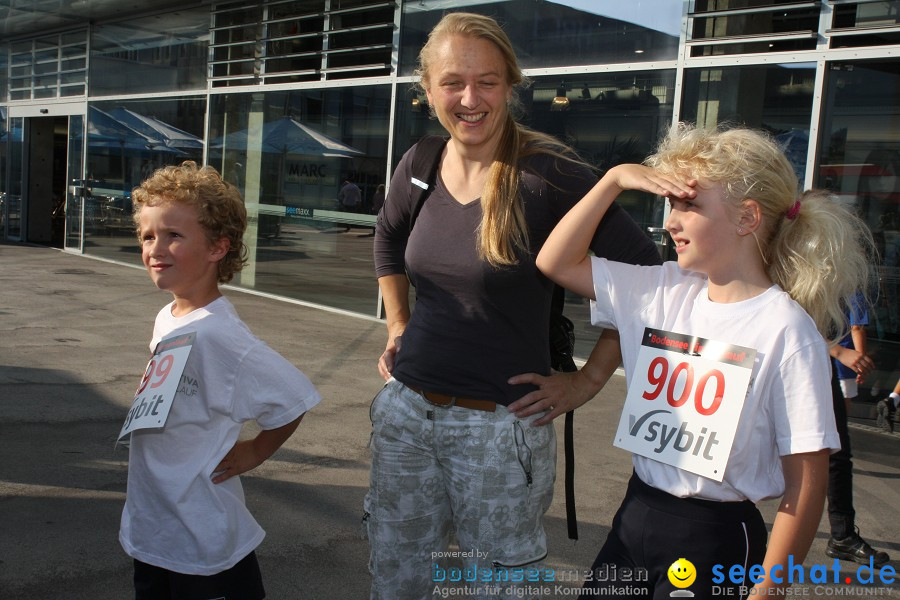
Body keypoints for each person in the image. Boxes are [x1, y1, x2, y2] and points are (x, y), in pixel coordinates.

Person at [369, 12, 661, 600]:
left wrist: (588, 381)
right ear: (427, 91)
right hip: (406, 417)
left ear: (510, 85)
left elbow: (652, 281)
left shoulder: (548, 174)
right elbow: (387, 239)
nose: (470, 98)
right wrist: (398, 322)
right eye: (453, 82)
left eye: (488, 82)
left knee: (496, 590)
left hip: (500, 433)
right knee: (397, 581)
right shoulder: (421, 163)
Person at [534, 123, 874, 599]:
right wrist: (612, 180)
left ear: (747, 218)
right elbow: (555, 261)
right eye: (671, 204)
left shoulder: (785, 329)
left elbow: (807, 484)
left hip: (714, 538)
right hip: (635, 517)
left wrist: (766, 591)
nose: (671, 221)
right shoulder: (660, 289)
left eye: (689, 205)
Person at [119, 161, 321, 600]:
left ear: (217, 248)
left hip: (203, 535)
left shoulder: (221, 335)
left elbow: (293, 397)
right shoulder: (169, 316)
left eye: (174, 235)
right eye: (148, 235)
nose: (156, 247)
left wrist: (255, 451)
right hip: (155, 523)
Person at [826, 332, 890, 567]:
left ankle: (842, 535)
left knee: (837, 452)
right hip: (785, 360)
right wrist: (839, 351)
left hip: (817, 363)